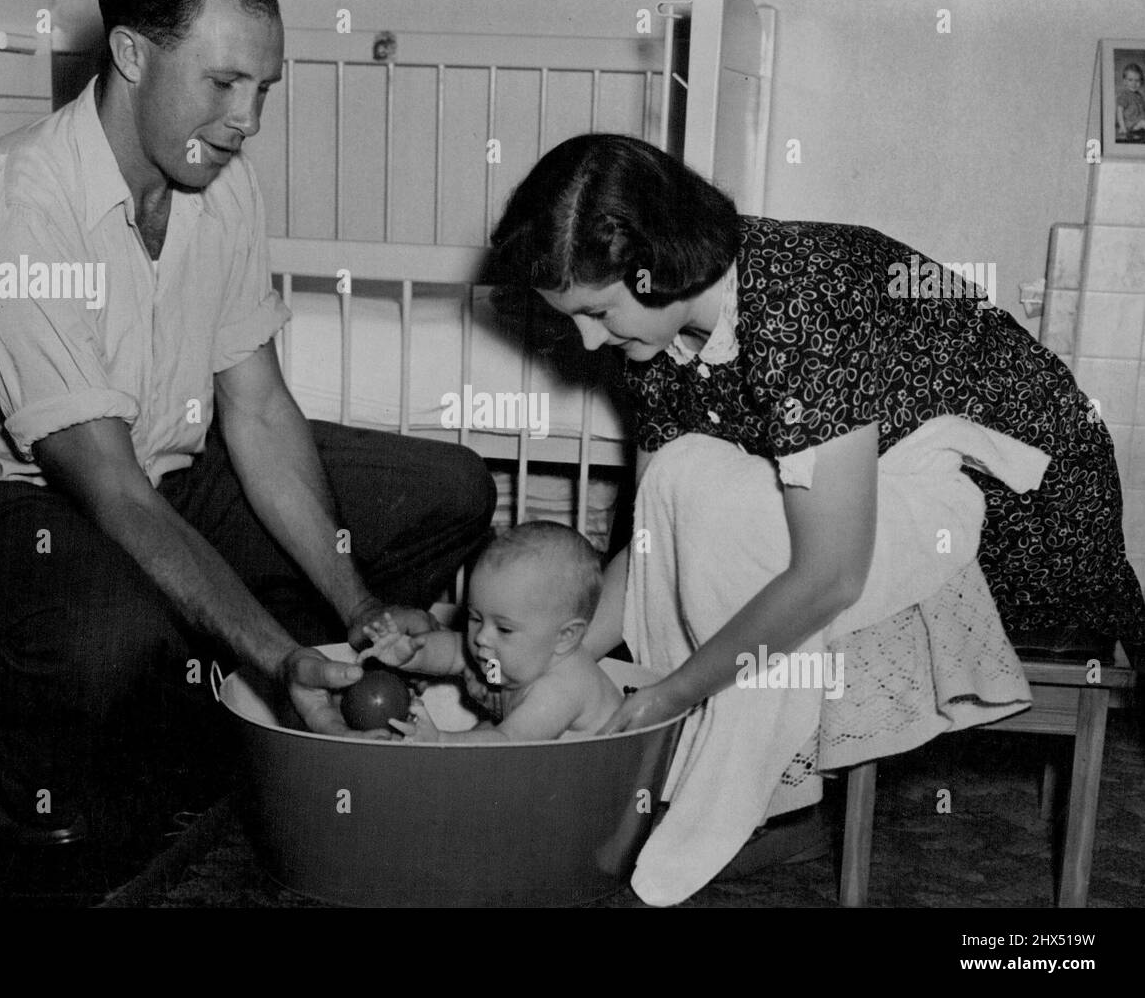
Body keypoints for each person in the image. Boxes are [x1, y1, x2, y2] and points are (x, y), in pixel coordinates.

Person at [0, 0, 495, 848]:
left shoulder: (219, 183)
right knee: (114, 630)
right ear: (133, 54)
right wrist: (276, 653)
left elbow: (256, 409)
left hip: (166, 473)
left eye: (264, 89)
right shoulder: (9, 212)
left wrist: (358, 608)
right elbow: (111, 490)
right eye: (223, 83)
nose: (247, 119)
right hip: (9, 508)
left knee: (445, 490)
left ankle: (241, 689)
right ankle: (26, 762)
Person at [483, 132, 1145, 734]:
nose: (589, 339)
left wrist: (675, 692)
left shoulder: (799, 299)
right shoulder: (654, 345)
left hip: (1032, 526)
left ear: (655, 262)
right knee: (694, 499)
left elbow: (829, 575)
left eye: (597, 312)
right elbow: (657, 542)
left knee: (741, 555)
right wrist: (544, 661)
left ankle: (755, 783)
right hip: (900, 505)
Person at [359, 522, 622, 741]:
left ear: (565, 637)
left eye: (504, 628)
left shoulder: (560, 689)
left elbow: (507, 742)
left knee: (484, 739)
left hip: (597, 774)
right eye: (475, 617)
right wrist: (410, 653)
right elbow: (452, 652)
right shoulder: (507, 655)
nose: (481, 637)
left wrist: (442, 740)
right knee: (481, 731)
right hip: (538, 758)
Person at [1116, 62, 1145, 140]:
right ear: (1125, 81)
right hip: (1130, 124)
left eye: (1137, 80)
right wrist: (1122, 127)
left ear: (1141, 81)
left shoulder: (1139, 95)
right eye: (1130, 80)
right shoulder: (1124, 95)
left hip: (1139, 122)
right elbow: (1119, 112)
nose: (1134, 83)